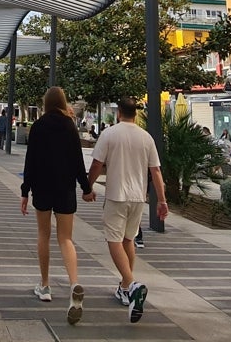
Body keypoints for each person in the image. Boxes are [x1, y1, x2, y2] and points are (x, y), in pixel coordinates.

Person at [86, 97, 168, 324]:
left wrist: (88, 187)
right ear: (136, 113)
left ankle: (132, 285)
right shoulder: (146, 137)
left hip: (116, 195)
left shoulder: (109, 134)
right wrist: (162, 200)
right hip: (138, 197)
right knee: (128, 240)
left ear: (119, 113)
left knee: (113, 240)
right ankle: (125, 288)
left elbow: (96, 164)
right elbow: (156, 171)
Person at [20, 87, 94, 325]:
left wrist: (24, 192)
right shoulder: (69, 126)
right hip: (65, 189)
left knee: (44, 234)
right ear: (63, 102)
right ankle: (74, 283)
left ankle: (45, 286)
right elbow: (77, 161)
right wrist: (86, 188)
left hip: (42, 187)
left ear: (45, 103)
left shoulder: (38, 126)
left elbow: (29, 161)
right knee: (66, 239)